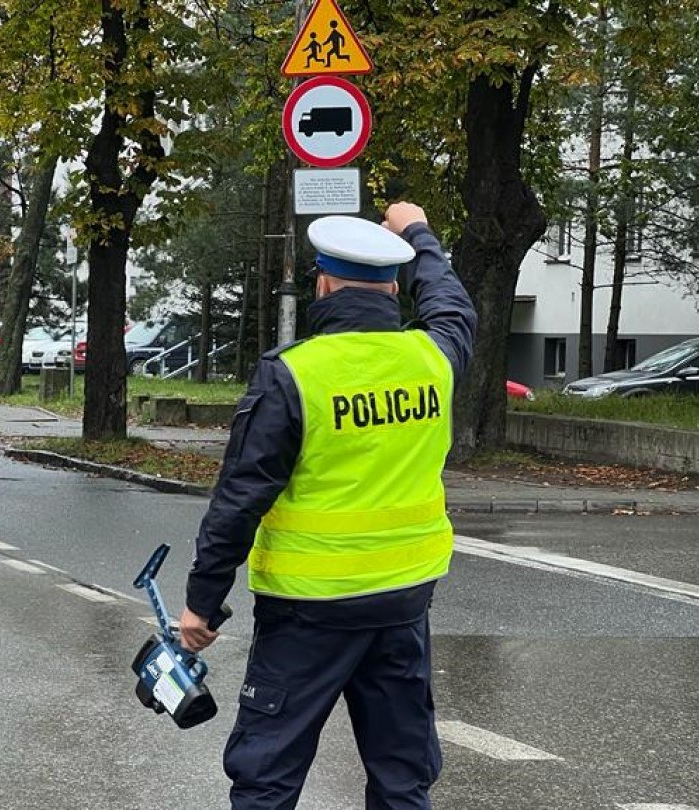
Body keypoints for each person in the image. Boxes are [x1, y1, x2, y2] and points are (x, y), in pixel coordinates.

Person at [178, 202, 477, 810]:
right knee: (402, 774)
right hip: (401, 604)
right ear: (393, 288)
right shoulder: (434, 359)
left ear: (322, 284)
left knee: (268, 775)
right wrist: (418, 235)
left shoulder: (292, 375)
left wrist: (202, 603)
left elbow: (240, 498)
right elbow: (452, 305)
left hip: (306, 615)